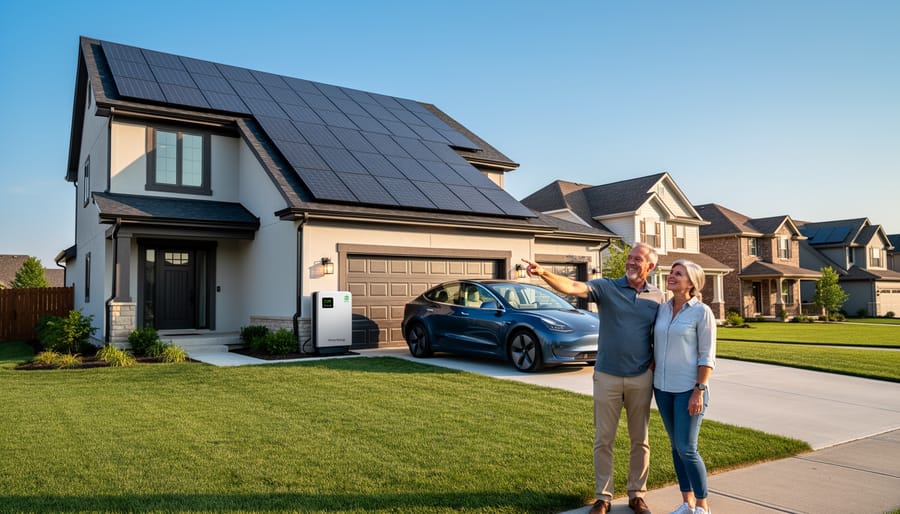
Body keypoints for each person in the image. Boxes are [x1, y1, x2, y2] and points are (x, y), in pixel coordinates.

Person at [522, 242, 664, 514]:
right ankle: (603, 497)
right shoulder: (607, 287)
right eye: (630, 258)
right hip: (607, 375)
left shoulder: (657, 297)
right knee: (604, 439)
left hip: (640, 378)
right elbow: (574, 287)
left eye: (638, 259)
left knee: (640, 439)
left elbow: (663, 333)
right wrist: (544, 273)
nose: (631, 262)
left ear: (650, 266)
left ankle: (637, 494)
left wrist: (655, 361)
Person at [653, 260, 716, 514]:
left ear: (691, 282)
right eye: (671, 272)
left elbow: (707, 355)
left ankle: (702, 505)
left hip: (689, 389)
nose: (671, 276)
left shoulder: (702, 312)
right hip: (662, 387)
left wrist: (699, 389)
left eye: (678, 274)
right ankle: (686, 502)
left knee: (687, 449)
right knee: (675, 447)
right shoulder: (662, 309)